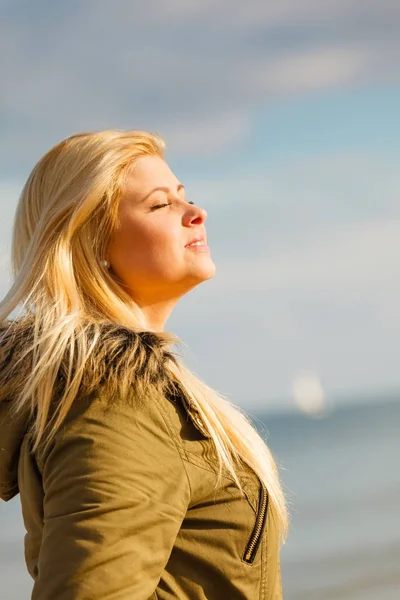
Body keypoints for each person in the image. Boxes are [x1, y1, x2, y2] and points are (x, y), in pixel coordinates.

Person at [0, 130, 289, 599]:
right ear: (92, 246)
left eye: (184, 197)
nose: (197, 213)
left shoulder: (125, 389)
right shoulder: (114, 401)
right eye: (160, 206)